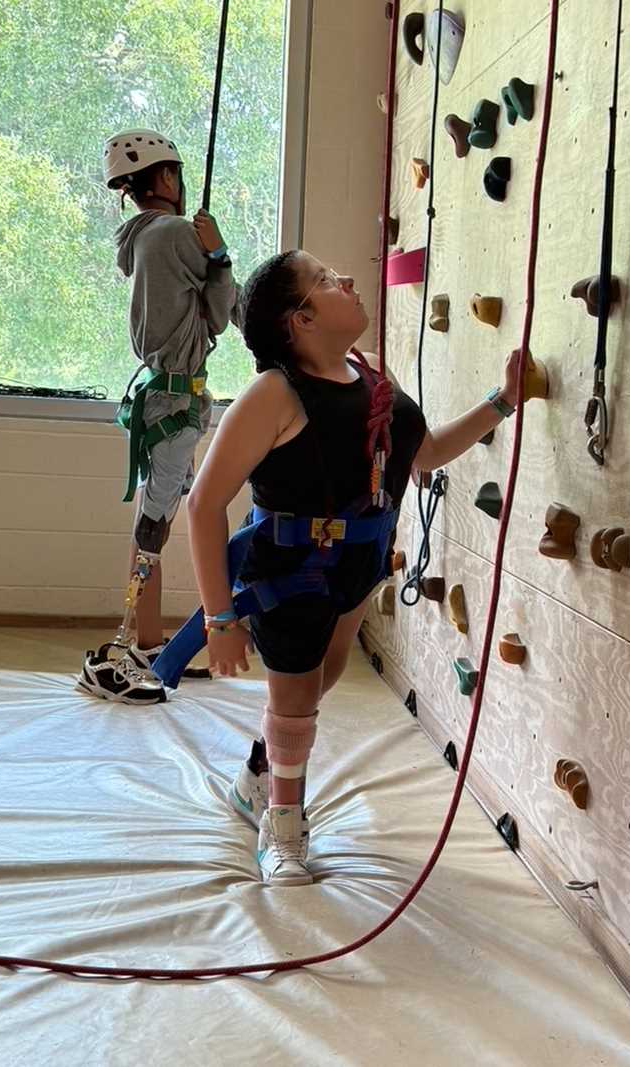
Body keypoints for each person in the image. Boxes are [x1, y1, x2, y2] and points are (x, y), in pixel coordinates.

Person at [186, 249, 524, 886]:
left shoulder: (372, 376)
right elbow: (204, 505)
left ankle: (259, 773)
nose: (344, 279)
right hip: (291, 574)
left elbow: (425, 455)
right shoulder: (273, 395)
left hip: (358, 565)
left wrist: (502, 402)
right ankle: (283, 825)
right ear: (301, 319)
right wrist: (219, 619)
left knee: (322, 678)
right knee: (294, 697)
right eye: (323, 280)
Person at [78, 129, 240, 704]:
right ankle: (123, 650)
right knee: (155, 524)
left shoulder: (144, 238)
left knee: (158, 518)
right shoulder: (173, 234)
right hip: (175, 402)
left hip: (165, 399)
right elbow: (220, 313)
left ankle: (146, 643)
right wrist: (219, 253)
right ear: (167, 178)